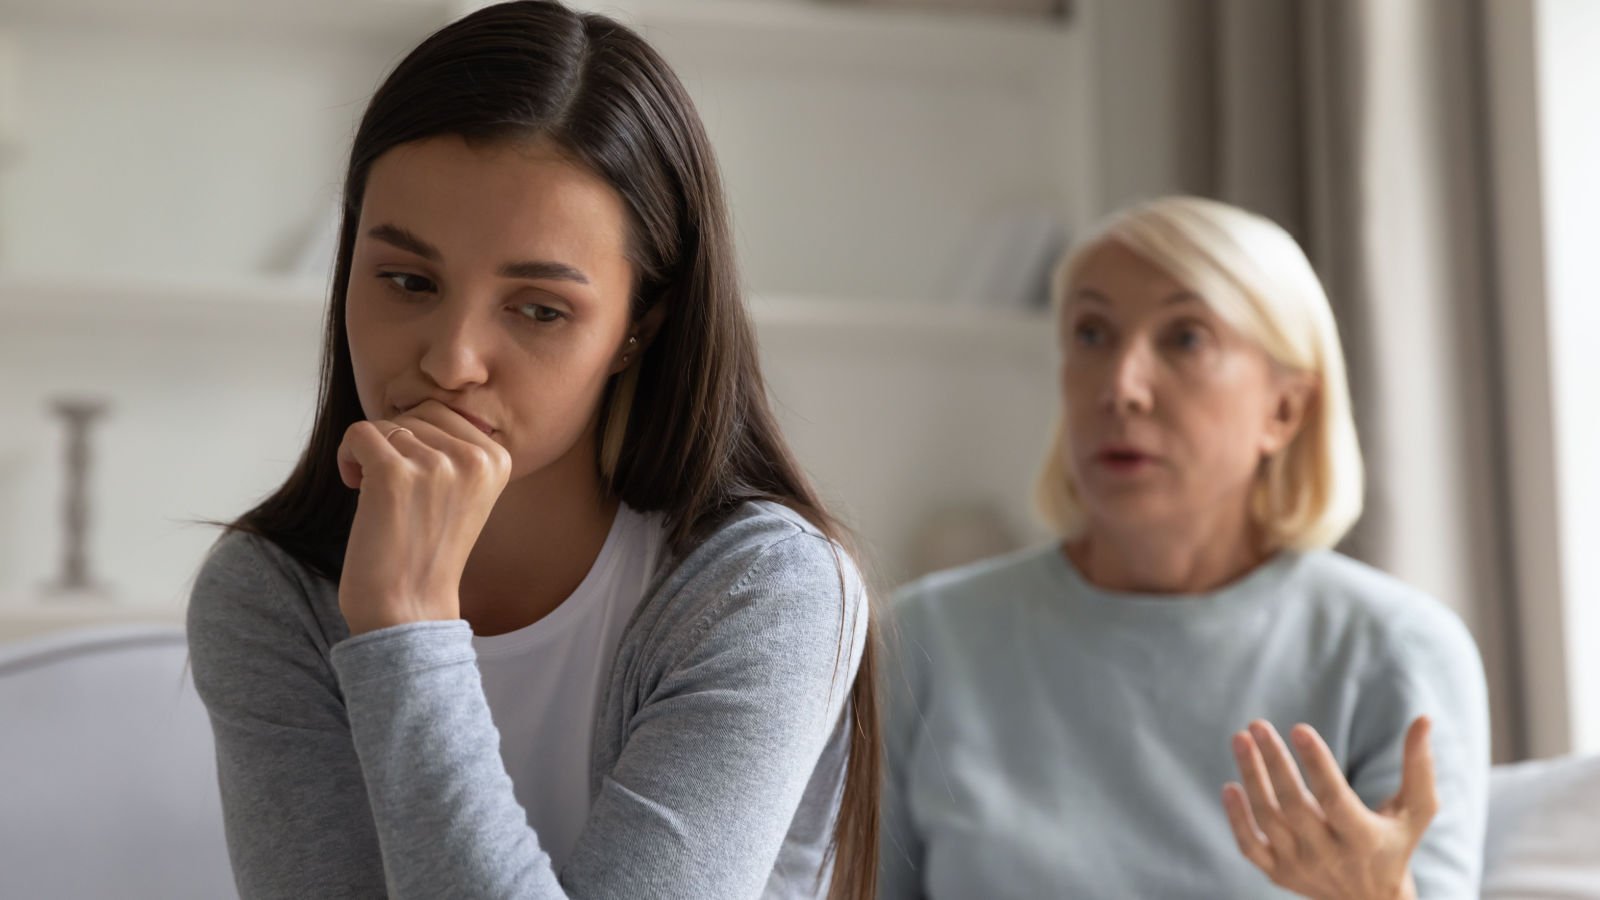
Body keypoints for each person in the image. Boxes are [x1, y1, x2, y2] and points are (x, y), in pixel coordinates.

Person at [185, 3, 879, 898]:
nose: (450, 359)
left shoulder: (763, 594)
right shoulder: (271, 594)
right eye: (407, 280)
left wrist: (408, 632)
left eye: (539, 309)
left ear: (641, 326)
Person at [879, 196, 1489, 899]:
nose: (1121, 387)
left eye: (1185, 339)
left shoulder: (1397, 651)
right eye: (1091, 334)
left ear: (1284, 410)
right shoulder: (922, 640)